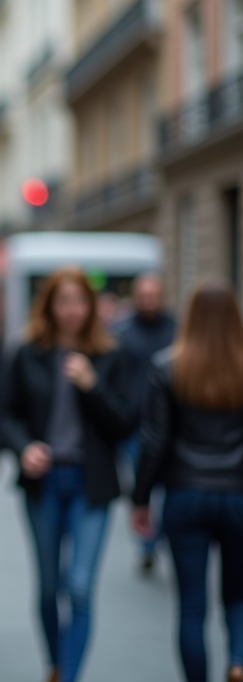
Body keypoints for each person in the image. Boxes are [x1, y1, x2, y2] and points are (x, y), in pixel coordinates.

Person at [0, 266, 135, 682]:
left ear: (91, 307)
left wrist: (93, 385)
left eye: (79, 302)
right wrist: (25, 447)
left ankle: (70, 676)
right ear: (50, 306)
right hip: (44, 483)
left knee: (79, 586)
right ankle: (55, 665)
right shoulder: (28, 352)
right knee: (48, 587)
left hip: (90, 484)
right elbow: (5, 416)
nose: (72, 310)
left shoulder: (110, 355)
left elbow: (125, 424)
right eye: (64, 301)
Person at [132, 281, 243, 682]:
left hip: (185, 493)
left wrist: (140, 498)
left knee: (192, 606)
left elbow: (155, 441)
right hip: (237, 494)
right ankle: (238, 660)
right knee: (238, 596)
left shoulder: (168, 366)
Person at [115, 273, 177, 574]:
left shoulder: (176, 329)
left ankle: (157, 535)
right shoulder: (122, 333)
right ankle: (147, 543)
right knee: (141, 483)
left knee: (166, 487)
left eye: (153, 295)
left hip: (173, 424)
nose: (149, 301)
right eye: (143, 296)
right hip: (135, 424)